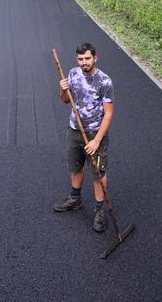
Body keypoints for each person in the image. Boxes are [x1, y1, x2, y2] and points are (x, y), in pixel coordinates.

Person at [52, 42, 115, 233]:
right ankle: (75, 198)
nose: (84, 62)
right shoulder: (73, 73)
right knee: (75, 166)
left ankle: (99, 210)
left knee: (98, 173)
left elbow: (109, 114)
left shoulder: (104, 81)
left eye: (87, 58)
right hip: (74, 131)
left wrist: (97, 140)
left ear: (95, 58)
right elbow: (66, 100)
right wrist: (63, 89)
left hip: (95, 133)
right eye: (80, 59)